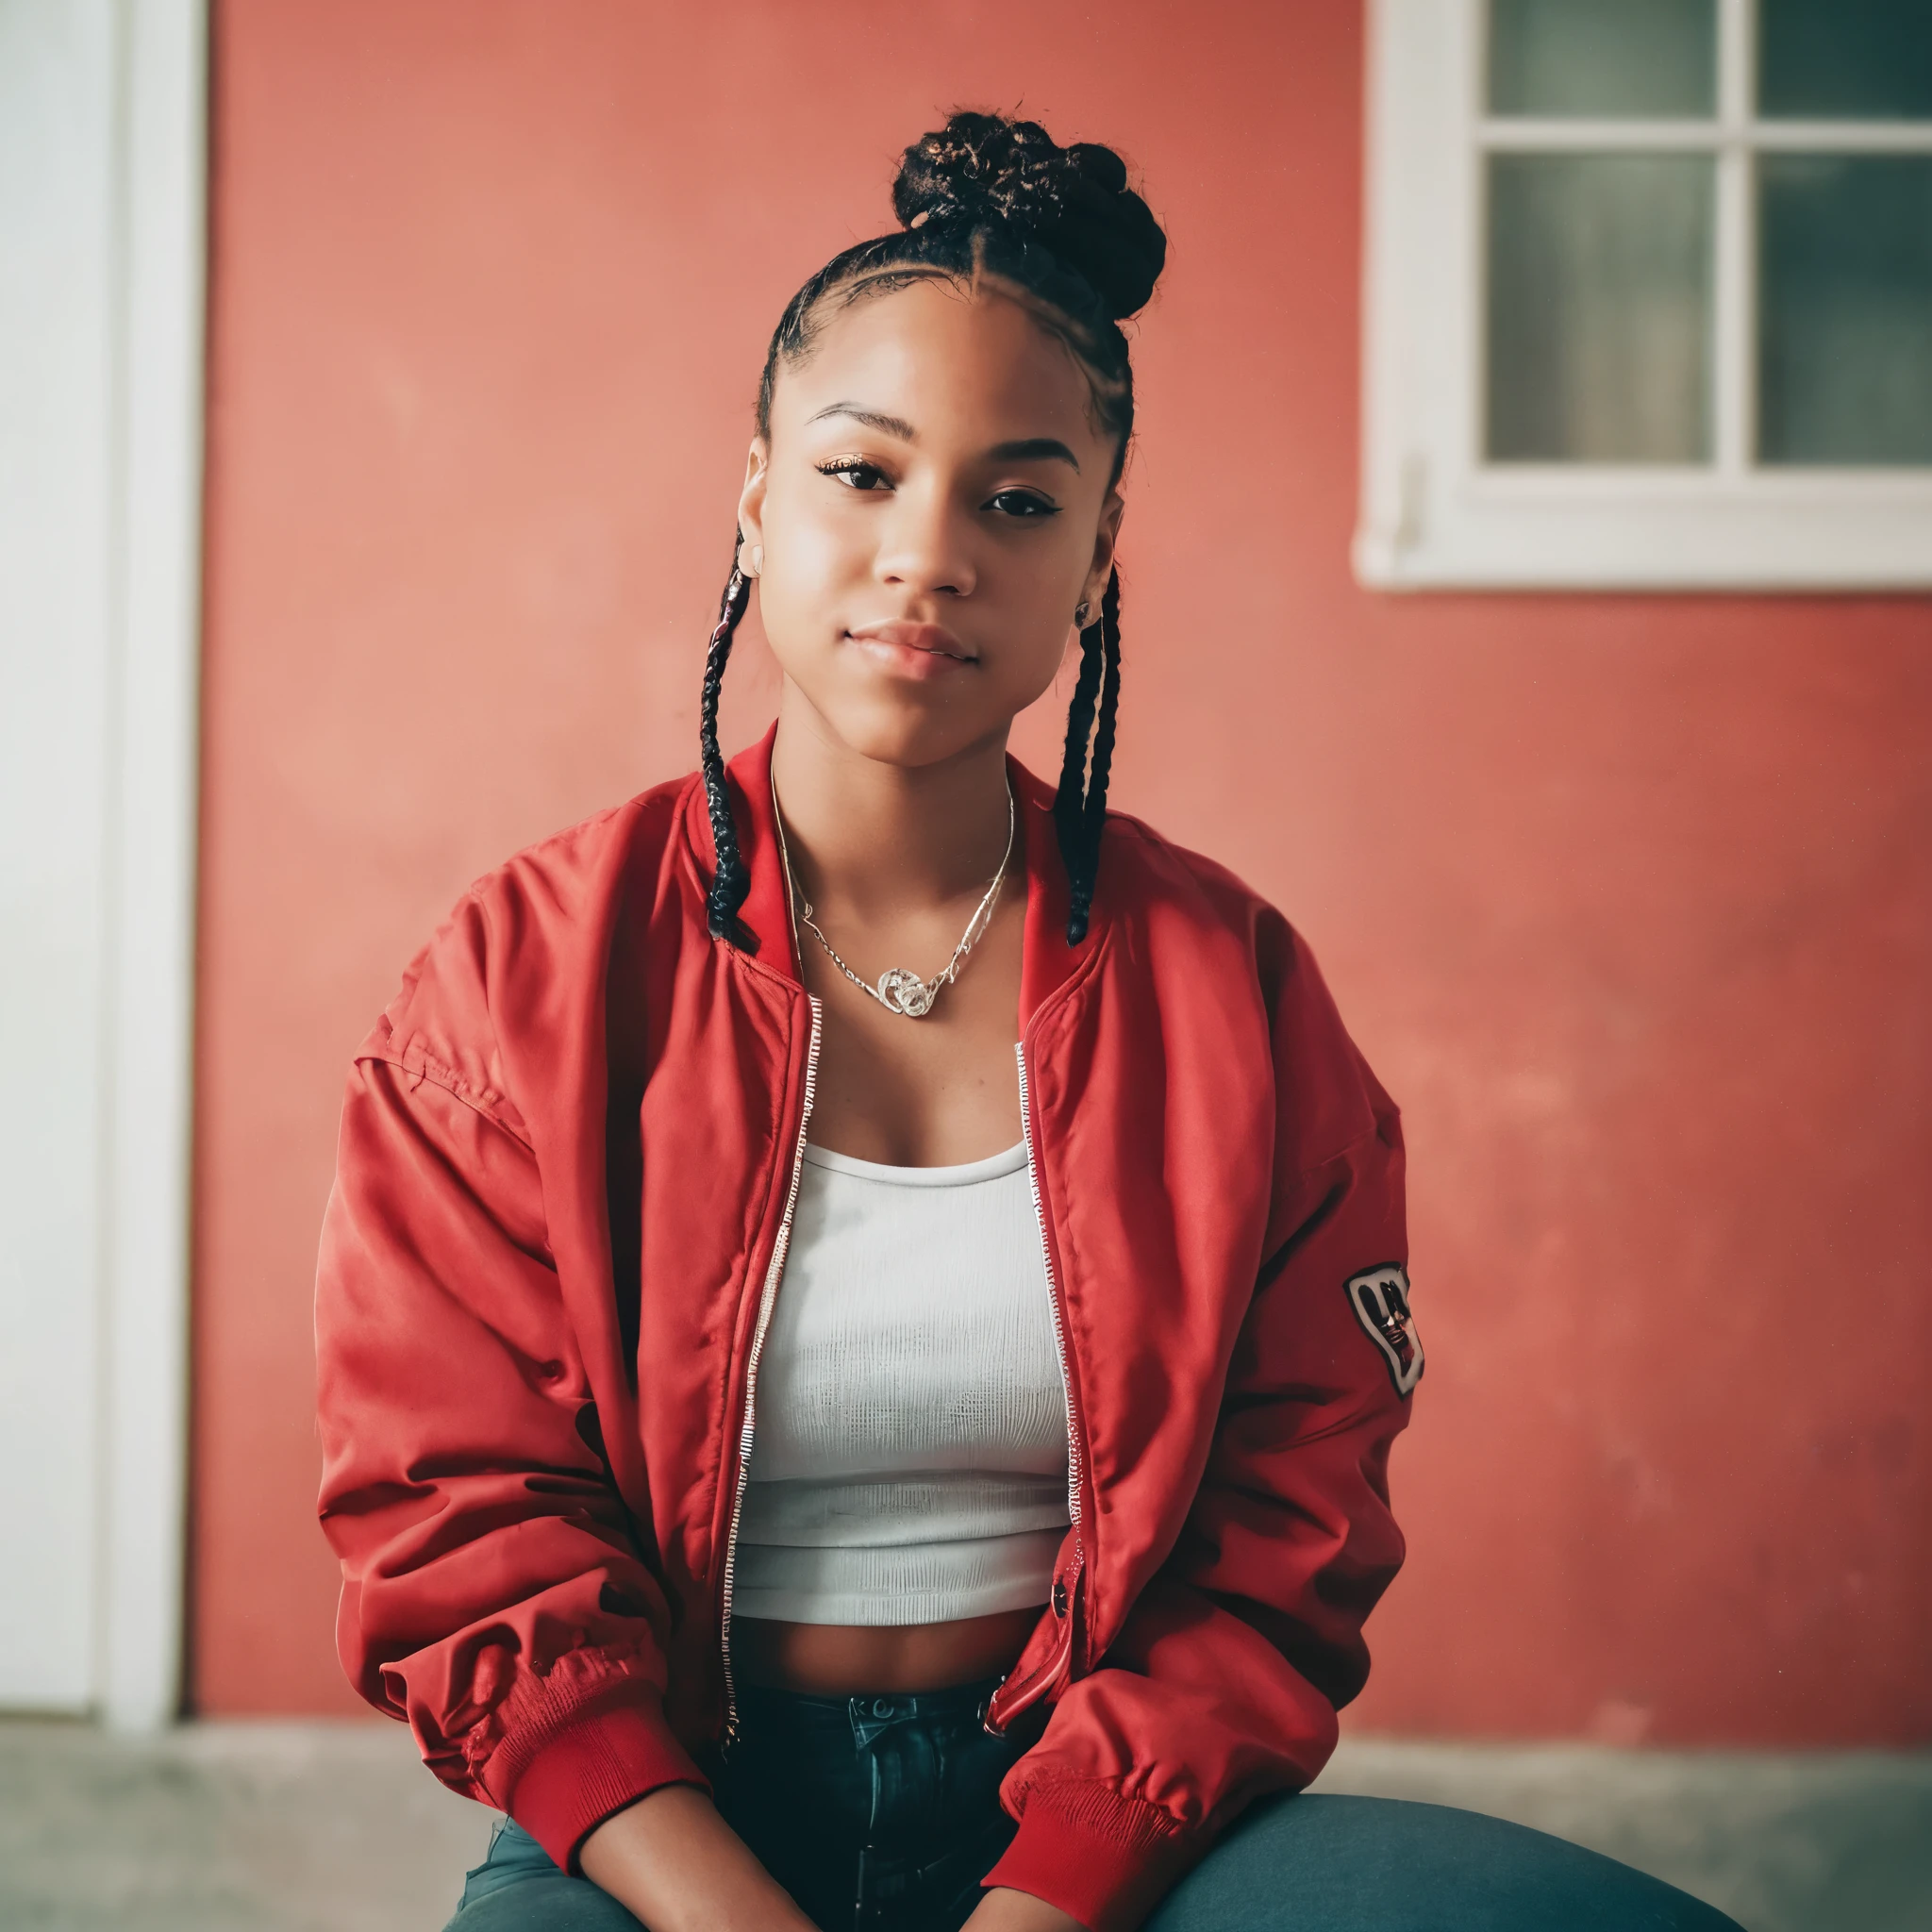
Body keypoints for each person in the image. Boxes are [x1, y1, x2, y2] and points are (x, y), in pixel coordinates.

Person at [315, 111, 1740, 1932]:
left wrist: (1054, 1895)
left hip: (1101, 1819)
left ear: (1098, 553)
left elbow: (1282, 1523)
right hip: (663, 1827)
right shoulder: (519, 978)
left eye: (1017, 497)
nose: (932, 554)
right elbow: (454, 1513)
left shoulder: (1239, 996)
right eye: (862, 474)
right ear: (755, 492)